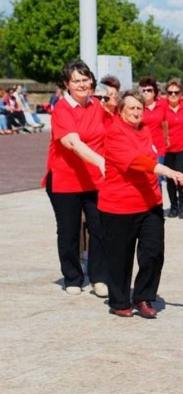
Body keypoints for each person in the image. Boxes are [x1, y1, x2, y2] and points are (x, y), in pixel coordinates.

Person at [99, 90, 183, 318]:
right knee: (120, 256)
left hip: (150, 203)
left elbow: (150, 156)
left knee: (153, 252)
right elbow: (138, 162)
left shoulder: (145, 131)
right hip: (119, 205)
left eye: (139, 108)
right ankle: (119, 301)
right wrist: (168, 171)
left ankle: (143, 296)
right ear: (120, 111)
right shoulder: (114, 133)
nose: (136, 112)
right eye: (131, 108)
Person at [43, 60, 108, 297]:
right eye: (76, 80)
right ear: (67, 84)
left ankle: (99, 277)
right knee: (69, 231)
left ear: (91, 81)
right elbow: (72, 142)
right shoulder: (61, 108)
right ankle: (72, 276)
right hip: (65, 180)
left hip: (95, 181)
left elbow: (112, 133)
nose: (82, 84)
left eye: (85, 79)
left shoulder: (98, 107)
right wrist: (100, 161)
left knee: (99, 227)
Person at [162, 79, 183, 219]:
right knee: (169, 178)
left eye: (176, 92)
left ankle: (182, 206)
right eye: (170, 92)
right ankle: (173, 206)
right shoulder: (162, 107)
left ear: (180, 93)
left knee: (180, 175)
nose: (173, 95)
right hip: (167, 148)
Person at [138, 77, 167, 160]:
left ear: (154, 92)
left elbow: (165, 125)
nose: (146, 92)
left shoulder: (162, 105)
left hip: (159, 148)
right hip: (143, 147)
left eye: (149, 90)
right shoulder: (138, 107)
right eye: (144, 90)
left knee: (159, 172)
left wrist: (166, 141)